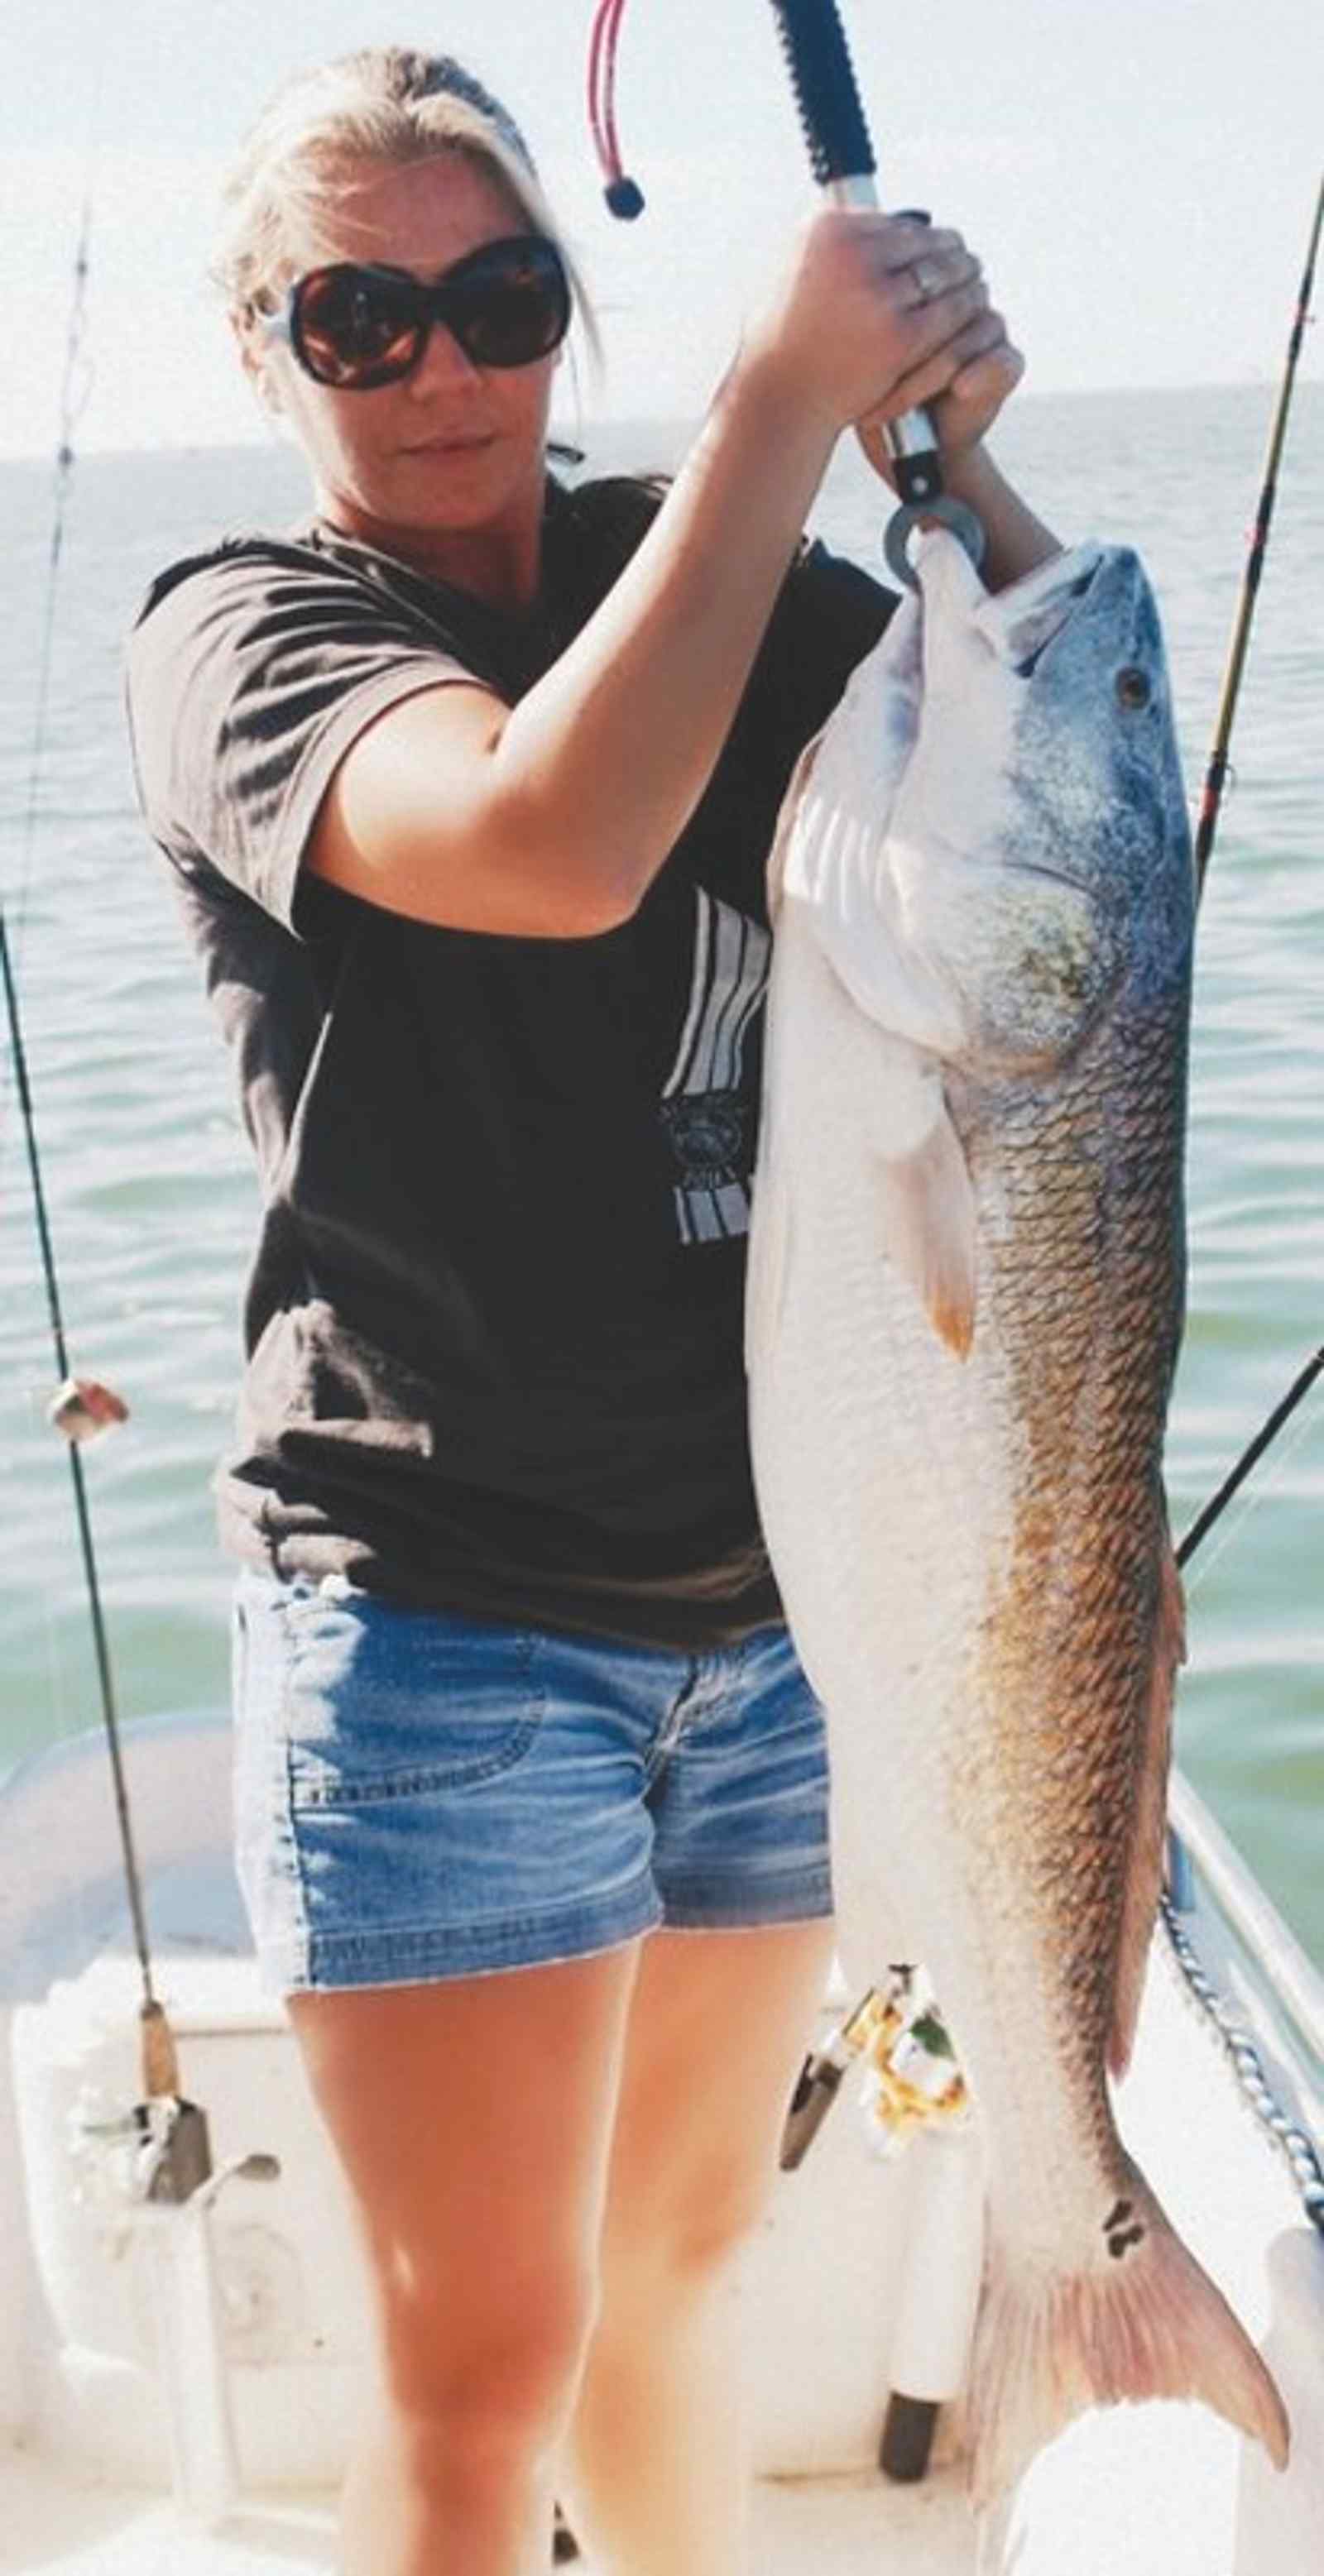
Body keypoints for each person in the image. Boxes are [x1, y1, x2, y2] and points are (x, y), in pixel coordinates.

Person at [126, 44, 1058, 2576]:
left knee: (676, 2286)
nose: (442, 363)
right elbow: (546, 840)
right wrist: (781, 403)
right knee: (482, 2372)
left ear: (567, 309)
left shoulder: (710, 560)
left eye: (502, 296)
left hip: (770, 1617)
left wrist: (958, 464)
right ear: (263, 349)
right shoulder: (246, 634)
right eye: (358, 317)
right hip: (441, 1618)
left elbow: (1041, 763)